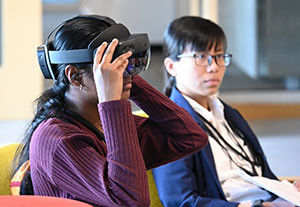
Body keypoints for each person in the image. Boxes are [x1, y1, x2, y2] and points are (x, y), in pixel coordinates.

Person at [12, 15, 208, 207]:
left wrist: (131, 82)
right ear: (75, 77)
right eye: (111, 67)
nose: (125, 72)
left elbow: (190, 137)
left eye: (125, 64)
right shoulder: (55, 139)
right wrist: (112, 102)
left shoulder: (105, 124)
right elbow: (131, 200)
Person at [152, 16, 300, 207]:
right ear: (172, 66)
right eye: (201, 57)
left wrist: (288, 189)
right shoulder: (170, 124)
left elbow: (260, 175)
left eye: (219, 56)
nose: (213, 67)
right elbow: (181, 201)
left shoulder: (228, 114)